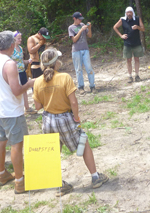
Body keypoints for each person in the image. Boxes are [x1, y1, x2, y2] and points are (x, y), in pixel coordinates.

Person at [33, 48, 109, 196]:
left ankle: (59, 185)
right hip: (65, 118)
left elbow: (37, 106)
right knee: (84, 143)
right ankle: (95, 177)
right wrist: (76, 118)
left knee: (54, 152)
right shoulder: (65, 77)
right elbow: (73, 102)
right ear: (56, 63)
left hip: (48, 120)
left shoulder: (37, 82)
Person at [0, 31, 35, 194]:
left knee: (0, 141)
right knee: (16, 145)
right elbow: (16, 90)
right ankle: (20, 182)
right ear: (12, 45)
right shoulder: (10, 64)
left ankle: (2, 174)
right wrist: (29, 84)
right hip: (12, 111)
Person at [113, 7, 145, 83]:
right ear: (126, 13)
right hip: (127, 43)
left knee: (137, 59)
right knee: (128, 60)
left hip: (136, 43)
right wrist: (121, 35)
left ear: (133, 13)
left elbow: (143, 29)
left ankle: (137, 75)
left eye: (130, 12)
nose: (129, 14)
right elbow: (115, 27)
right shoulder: (123, 20)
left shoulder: (137, 19)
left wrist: (137, 27)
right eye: (128, 12)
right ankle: (130, 76)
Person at [69, 12, 95, 95]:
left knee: (89, 68)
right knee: (78, 69)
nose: (80, 20)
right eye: (79, 19)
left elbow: (89, 35)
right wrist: (81, 30)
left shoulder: (83, 24)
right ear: (74, 19)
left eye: (81, 19)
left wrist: (89, 28)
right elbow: (74, 40)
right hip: (76, 50)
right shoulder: (71, 27)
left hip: (85, 49)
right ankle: (81, 87)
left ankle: (92, 86)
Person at [11, 31, 36, 115]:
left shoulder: (20, 48)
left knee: (24, 89)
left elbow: (21, 60)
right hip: (15, 73)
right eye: (18, 38)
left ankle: (27, 108)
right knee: (16, 91)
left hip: (22, 72)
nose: (20, 40)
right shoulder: (11, 49)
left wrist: (27, 61)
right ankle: (17, 109)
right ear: (13, 39)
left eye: (20, 38)